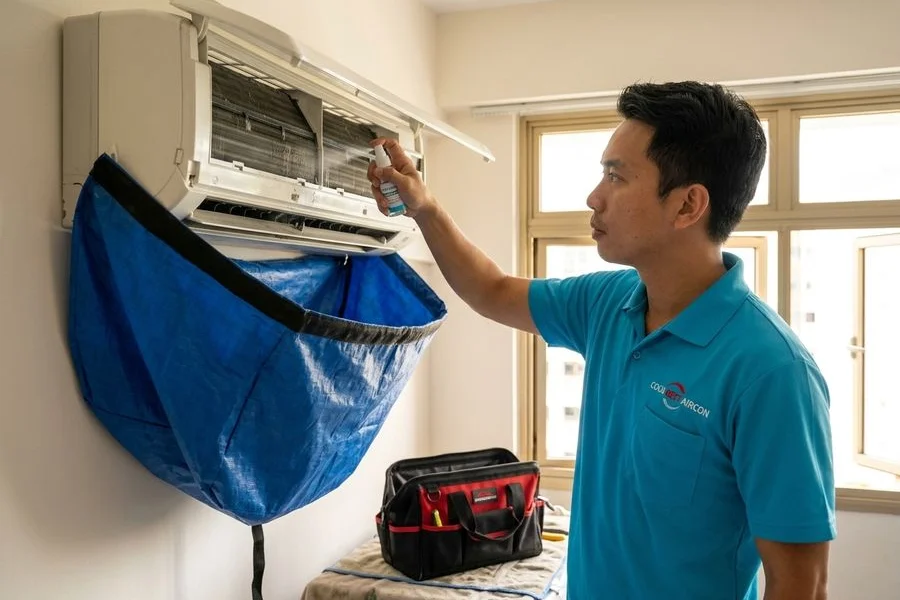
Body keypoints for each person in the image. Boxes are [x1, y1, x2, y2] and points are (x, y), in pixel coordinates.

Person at [368, 81, 835, 600]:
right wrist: (424, 207)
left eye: (616, 176)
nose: (594, 197)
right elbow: (492, 290)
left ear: (688, 205)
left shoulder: (772, 372)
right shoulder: (608, 302)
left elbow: (801, 583)